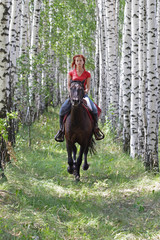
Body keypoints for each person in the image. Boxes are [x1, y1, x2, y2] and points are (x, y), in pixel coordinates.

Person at [55, 54, 104, 142]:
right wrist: (71, 93)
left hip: (83, 96)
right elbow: (68, 86)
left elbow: (88, 87)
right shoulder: (71, 73)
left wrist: (85, 91)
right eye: (77, 61)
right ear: (75, 62)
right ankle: (61, 130)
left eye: (80, 60)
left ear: (83, 62)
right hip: (73, 95)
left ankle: (95, 129)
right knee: (62, 110)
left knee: (94, 110)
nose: (79, 62)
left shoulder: (87, 74)